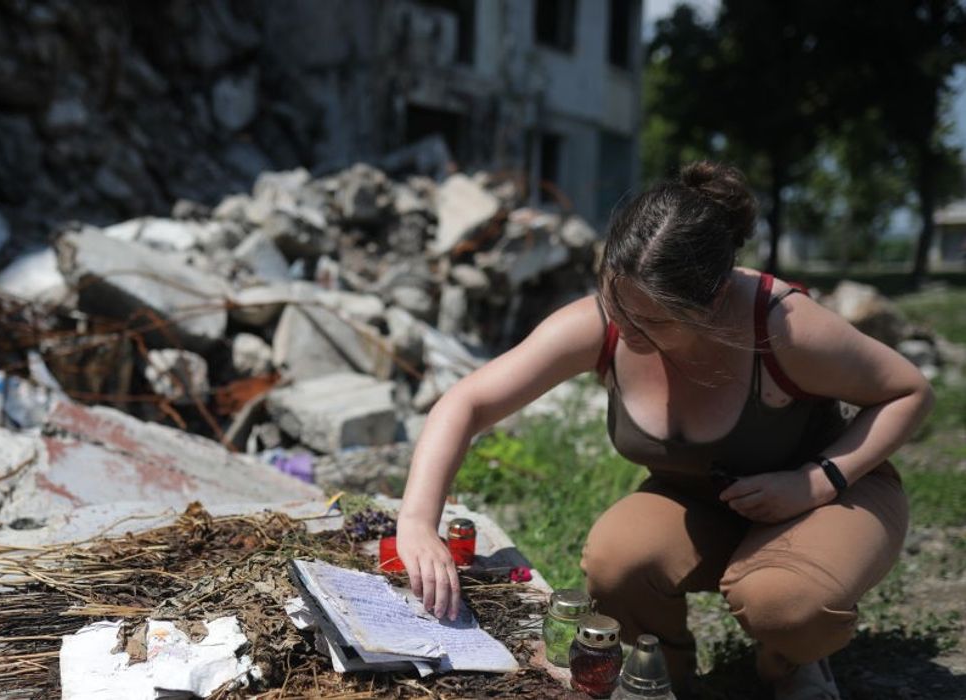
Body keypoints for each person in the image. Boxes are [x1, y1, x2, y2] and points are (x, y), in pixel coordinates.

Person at [395, 162, 932, 699]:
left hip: (828, 495)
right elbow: (467, 402)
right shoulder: (607, 322)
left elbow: (910, 392)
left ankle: (790, 661)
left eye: (653, 322)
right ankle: (666, 676)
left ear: (714, 301)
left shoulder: (782, 326)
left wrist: (817, 481)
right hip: (705, 502)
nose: (626, 329)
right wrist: (418, 521)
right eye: (616, 303)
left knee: (785, 603)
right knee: (616, 559)